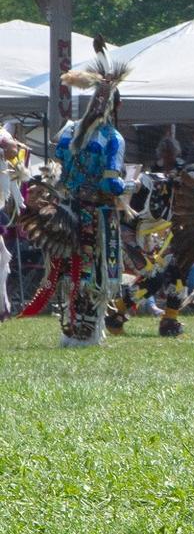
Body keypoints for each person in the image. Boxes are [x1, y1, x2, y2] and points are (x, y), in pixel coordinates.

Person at [19, 45, 128, 346]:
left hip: (65, 212)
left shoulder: (67, 132)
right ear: (115, 108)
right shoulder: (112, 139)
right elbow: (111, 185)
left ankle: (69, 330)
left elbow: (56, 167)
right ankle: (86, 335)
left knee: (68, 268)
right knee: (93, 271)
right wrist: (126, 189)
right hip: (96, 216)